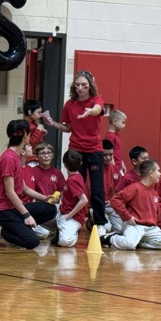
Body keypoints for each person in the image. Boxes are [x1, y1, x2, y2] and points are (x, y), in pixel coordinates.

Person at [43, 70, 107, 228]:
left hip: (94, 149)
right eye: (77, 85)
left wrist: (90, 111)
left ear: (90, 86)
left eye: (84, 85)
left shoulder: (96, 100)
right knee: (75, 186)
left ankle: (99, 222)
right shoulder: (70, 104)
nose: (80, 88)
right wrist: (53, 124)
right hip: (76, 150)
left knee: (97, 189)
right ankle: (74, 218)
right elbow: (68, 128)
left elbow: (97, 109)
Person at [0, 120, 57, 249]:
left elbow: (24, 188)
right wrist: (26, 215)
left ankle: (19, 228)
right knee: (32, 241)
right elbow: (10, 192)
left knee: (50, 209)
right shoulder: (8, 159)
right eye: (29, 133)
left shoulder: (17, 157)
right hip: (4, 210)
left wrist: (45, 198)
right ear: (25, 135)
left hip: (14, 208)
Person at [101, 159, 161, 251]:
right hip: (136, 226)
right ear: (151, 173)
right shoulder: (134, 188)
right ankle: (110, 238)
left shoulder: (154, 193)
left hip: (152, 228)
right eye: (158, 171)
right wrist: (127, 217)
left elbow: (158, 214)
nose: (160, 174)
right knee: (129, 245)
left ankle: (138, 243)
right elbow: (115, 200)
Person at [55, 150, 89, 248]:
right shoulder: (76, 177)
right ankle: (61, 229)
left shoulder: (72, 180)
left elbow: (84, 200)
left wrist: (68, 216)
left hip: (72, 217)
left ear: (64, 164)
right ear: (81, 163)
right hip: (62, 212)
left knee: (65, 241)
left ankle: (71, 232)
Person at [101, 139, 123, 232]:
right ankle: (91, 221)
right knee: (107, 228)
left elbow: (120, 192)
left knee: (119, 229)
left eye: (110, 155)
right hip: (98, 206)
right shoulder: (94, 170)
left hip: (112, 205)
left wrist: (113, 202)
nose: (108, 158)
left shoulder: (115, 169)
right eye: (105, 155)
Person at [104, 109, 127, 174]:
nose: (124, 125)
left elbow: (118, 153)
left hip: (119, 167)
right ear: (114, 121)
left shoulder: (116, 135)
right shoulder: (110, 137)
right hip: (115, 168)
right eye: (123, 122)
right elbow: (110, 154)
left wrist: (122, 164)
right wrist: (113, 169)